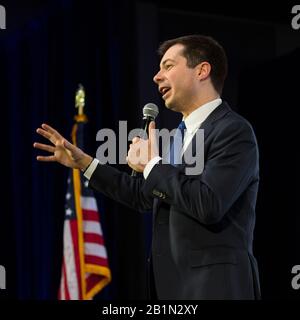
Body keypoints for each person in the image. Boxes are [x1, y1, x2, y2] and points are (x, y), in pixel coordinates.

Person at [34, 35, 261, 299]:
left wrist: (152, 165)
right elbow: (145, 196)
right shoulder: (179, 135)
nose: (156, 76)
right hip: (173, 289)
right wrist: (85, 162)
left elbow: (208, 203)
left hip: (216, 288)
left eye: (168, 66)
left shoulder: (233, 130)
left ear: (202, 70)